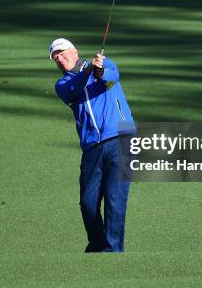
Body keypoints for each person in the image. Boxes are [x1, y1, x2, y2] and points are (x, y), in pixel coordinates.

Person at [49, 37, 135, 253]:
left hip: (121, 139)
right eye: (55, 57)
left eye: (62, 52)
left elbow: (110, 78)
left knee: (115, 200)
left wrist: (98, 71)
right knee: (88, 203)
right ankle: (97, 244)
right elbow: (74, 88)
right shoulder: (62, 85)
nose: (59, 58)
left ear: (74, 51)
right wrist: (89, 72)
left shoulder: (105, 64)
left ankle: (112, 251)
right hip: (92, 148)